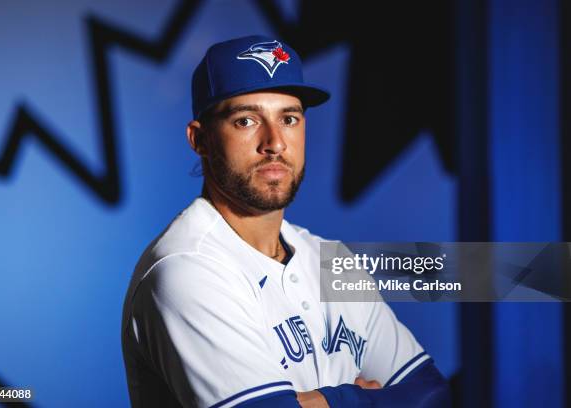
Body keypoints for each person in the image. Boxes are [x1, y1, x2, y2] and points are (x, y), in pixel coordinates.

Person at [121, 35, 450, 407]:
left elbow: (432, 396)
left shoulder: (328, 259)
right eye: (246, 120)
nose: (275, 142)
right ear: (201, 140)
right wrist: (358, 399)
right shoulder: (186, 269)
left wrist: (320, 402)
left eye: (289, 118)